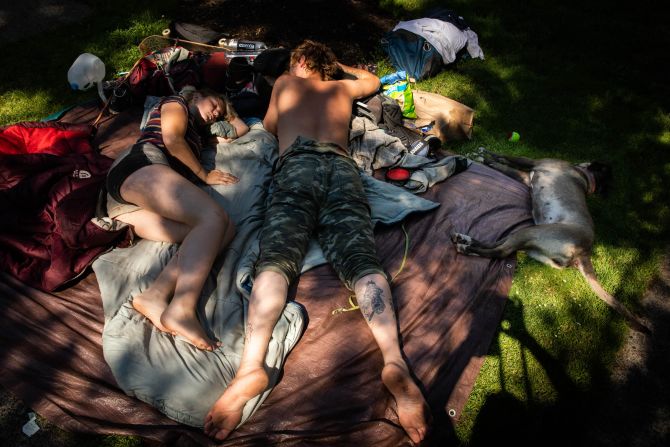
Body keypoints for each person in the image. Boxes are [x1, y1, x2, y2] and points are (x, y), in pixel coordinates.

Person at [204, 40, 430, 443]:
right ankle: (394, 360)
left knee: (276, 260)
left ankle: (251, 367)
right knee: (362, 261)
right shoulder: (342, 89)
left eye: (295, 60)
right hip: (342, 169)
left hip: (297, 167)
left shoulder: (287, 84)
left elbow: (272, 126)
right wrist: (337, 68)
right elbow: (374, 80)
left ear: (302, 63)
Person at [105, 88, 239, 350]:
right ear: (196, 95)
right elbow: (172, 139)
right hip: (139, 166)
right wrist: (204, 174)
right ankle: (182, 308)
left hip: (134, 202)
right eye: (214, 105)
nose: (215, 114)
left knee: (223, 229)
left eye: (219, 115)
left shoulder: (198, 135)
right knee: (213, 216)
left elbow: (241, 129)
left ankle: (155, 296)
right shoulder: (176, 103)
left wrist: (226, 116)